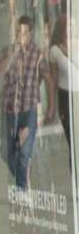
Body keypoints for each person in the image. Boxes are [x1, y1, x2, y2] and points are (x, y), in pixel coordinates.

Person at [0, 14, 52, 189]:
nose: (20, 36)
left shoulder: (37, 54)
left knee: (24, 153)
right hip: (9, 107)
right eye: (18, 32)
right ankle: (22, 178)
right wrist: (12, 55)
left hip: (28, 108)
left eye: (24, 32)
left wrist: (51, 108)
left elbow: (48, 79)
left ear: (31, 33)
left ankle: (22, 189)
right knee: (6, 151)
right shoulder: (7, 51)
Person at [48, 14, 74, 152]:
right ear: (62, 28)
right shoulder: (54, 50)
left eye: (74, 25)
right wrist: (51, 107)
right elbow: (53, 80)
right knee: (73, 143)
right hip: (66, 97)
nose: (73, 28)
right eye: (69, 25)